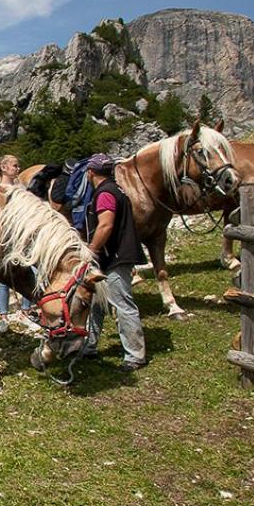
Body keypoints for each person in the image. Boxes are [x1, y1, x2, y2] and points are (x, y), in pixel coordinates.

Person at [81, 153, 147, 371]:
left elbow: (105, 225)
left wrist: (91, 250)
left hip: (114, 257)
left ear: (91, 172)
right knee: (97, 303)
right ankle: (89, 345)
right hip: (115, 255)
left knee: (122, 305)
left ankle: (135, 355)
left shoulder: (105, 194)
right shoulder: (117, 189)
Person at [0, 154, 35, 333]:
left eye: (18, 166)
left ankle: (25, 310)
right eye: (15, 166)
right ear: (5, 167)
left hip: (20, 236)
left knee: (27, 270)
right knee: (3, 278)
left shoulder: (20, 187)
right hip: (4, 237)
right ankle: (3, 315)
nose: (18, 169)